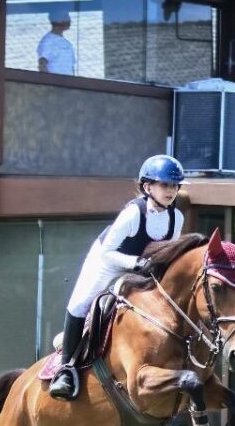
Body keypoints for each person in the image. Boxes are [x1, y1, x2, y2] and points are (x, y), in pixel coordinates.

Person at [48, 155, 186, 400]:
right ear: (147, 187)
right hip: (108, 262)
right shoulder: (133, 213)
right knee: (79, 304)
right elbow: (108, 252)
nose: (171, 191)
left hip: (141, 269)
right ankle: (65, 369)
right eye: (165, 185)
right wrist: (135, 263)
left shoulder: (176, 218)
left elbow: (167, 253)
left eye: (174, 186)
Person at [37, 9, 74, 75]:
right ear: (57, 20)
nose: (69, 20)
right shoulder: (48, 41)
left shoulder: (66, 43)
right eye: (65, 17)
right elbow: (42, 65)